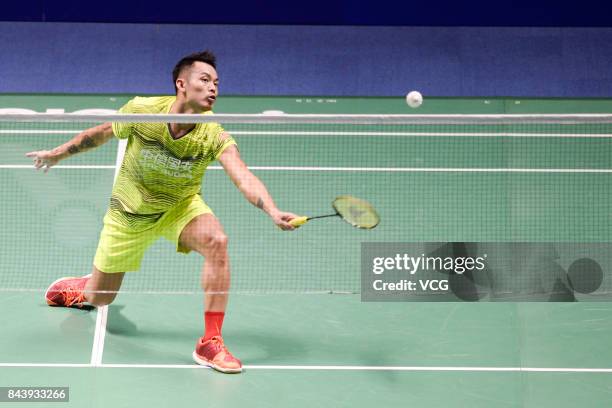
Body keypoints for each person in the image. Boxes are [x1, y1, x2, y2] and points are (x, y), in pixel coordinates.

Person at [25, 50, 298, 374]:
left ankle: (210, 342)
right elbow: (98, 134)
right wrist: (56, 155)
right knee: (101, 298)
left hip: (178, 208)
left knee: (217, 241)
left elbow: (242, 175)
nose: (214, 88)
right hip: (129, 213)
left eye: (217, 82)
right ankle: (84, 288)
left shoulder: (212, 133)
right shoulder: (143, 111)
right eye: (205, 80)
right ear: (181, 84)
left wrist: (271, 209)